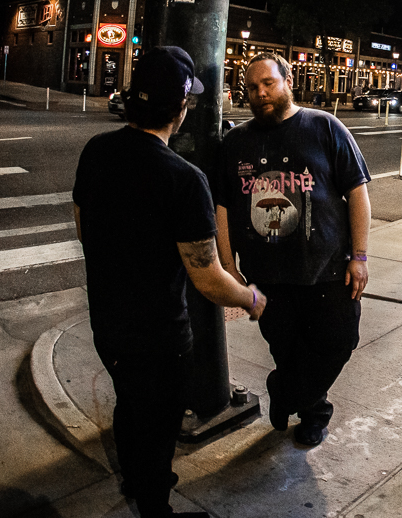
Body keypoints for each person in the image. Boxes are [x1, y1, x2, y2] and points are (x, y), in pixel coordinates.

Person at [73, 46, 266, 518]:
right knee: (157, 428)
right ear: (181, 108)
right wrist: (252, 297)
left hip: (108, 325)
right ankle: (154, 505)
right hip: (160, 339)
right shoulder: (184, 179)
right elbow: (209, 280)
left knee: (129, 409)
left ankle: (137, 483)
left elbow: (83, 225)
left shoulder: (97, 151)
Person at [215, 51, 371, 447]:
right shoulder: (236, 142)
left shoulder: (325, 127)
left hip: (328, 271)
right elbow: (223, 207)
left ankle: (286, 393)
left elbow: (357, 193)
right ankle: (313, 412)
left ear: (287, 81)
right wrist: (229, 267)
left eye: (268, 83)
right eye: (252, 87)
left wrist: (360, 256)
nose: (260, 92)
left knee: (338, 341)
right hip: (268, 278)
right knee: (286, 350)